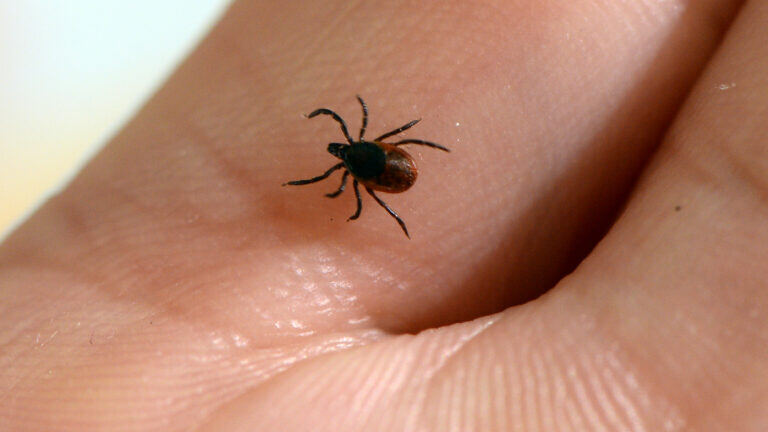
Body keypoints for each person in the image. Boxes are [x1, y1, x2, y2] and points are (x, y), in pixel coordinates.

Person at [1, 1, 766, 430]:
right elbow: (364, 154)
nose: (344, 153)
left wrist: (355, 189)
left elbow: (347, 177)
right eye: (345, 151)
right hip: (403, 181)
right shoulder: (370, 153)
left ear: (357, 146)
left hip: (400, 183)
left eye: (344, 145)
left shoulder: (363, 163)